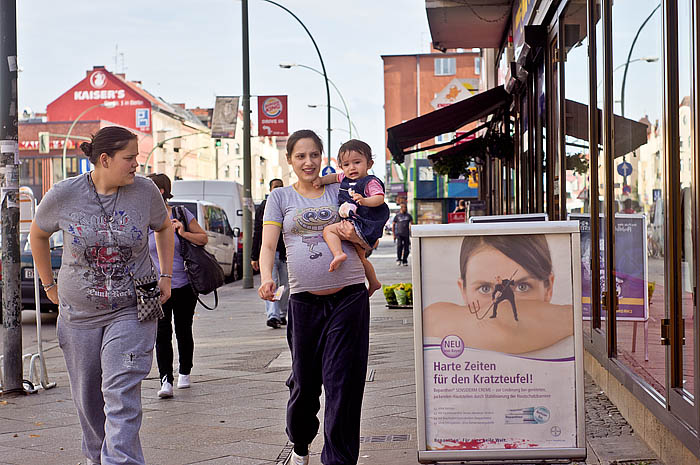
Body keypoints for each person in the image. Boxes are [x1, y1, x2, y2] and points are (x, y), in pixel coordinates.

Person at [29, 126, 174, 465]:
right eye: (130, 158)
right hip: (79, 315)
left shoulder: (146, 191)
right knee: (89, 401)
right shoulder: (64, 194)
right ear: (104, 160)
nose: (136, 164)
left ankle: (119, 461)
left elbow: (164, 226)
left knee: (121, 392)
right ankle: (98, 458)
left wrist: (165, 274)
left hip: (134, 308)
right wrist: (49, 284)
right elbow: (38, 235)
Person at [258, 130, 370, 465]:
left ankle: (338, 459)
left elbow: (369, 236)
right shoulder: (279, 198)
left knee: (343, 381)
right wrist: (266, 278)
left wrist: (358, 236)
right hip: (304, 302)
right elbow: (267, 246)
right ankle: (301, 442)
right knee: (305, 384)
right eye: (301, 156)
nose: (308, 162)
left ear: (323, 158)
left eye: (314, 155)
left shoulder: (340, 190)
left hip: (349, 297)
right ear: (290, 160)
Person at [423, 234, 573, 356]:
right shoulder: (434, 318)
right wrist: (578, 317)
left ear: (549, 287)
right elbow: (502, 323)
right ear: (463, 290)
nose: (503, 304)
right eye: (485, 289)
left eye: (522, 287)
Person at [147, 173, 208, 398]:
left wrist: (183, 232)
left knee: (183, 329)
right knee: (161, 332)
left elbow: (203, 239)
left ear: (160, 191)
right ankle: (165, 380)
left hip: (183, 284)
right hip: (156, 286)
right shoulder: (145, 219)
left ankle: (184, 371)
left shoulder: (181, 213)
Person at [313, 139, 389, 296]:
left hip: (362, 223)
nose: (352, 168)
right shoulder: (344, 179)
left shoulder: (370, 182)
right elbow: (332, 178)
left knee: (329, 230)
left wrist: (364, 200)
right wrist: (320, 180)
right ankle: (374, 282)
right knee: (361, 258)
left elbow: (379, 198)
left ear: (369, 164)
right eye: (346, 164)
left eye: (357, 162)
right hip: (353, 222)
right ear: (341, 167)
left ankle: (338, 253)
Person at [251, 178, 289, 329]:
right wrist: (254, 256)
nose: (278, 189)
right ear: (270, 189)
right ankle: (272, 315)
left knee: (285, 286)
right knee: (270, 283)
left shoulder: (287, 203)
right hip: (269, 253)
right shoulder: (263, 207)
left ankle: (281, 313)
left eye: (280, 186)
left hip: (286, 253)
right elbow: (257, 232)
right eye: (275, 187)